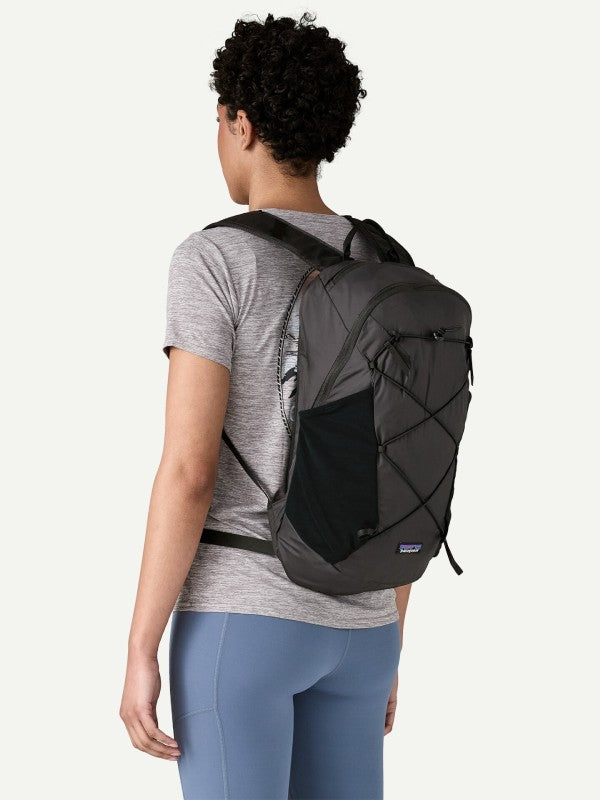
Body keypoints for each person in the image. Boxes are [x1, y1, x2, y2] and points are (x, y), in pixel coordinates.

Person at [119, 12, 412, 800]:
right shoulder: (387, 264)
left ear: (240, 123)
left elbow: (189, 470)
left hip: (245, 622)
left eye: (218, 120)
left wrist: (142, 646)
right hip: (366, 629)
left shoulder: (216, 258)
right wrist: (391, 634)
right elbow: (404, 465)